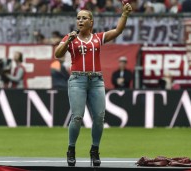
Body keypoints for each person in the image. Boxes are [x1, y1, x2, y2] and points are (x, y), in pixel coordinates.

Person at [54, 2, 132, 167]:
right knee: (77, 117)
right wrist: (68, 41)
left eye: (84, 18)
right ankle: (71, 149)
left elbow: (118, 31)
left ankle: (94, 149)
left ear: (91, 22)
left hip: (96, 81)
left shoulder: (97, 38)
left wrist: (124, 14)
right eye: (78, 18)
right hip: (77, 81)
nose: (80, 21)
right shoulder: (70, 37)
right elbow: (57, 54)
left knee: (99, 118)